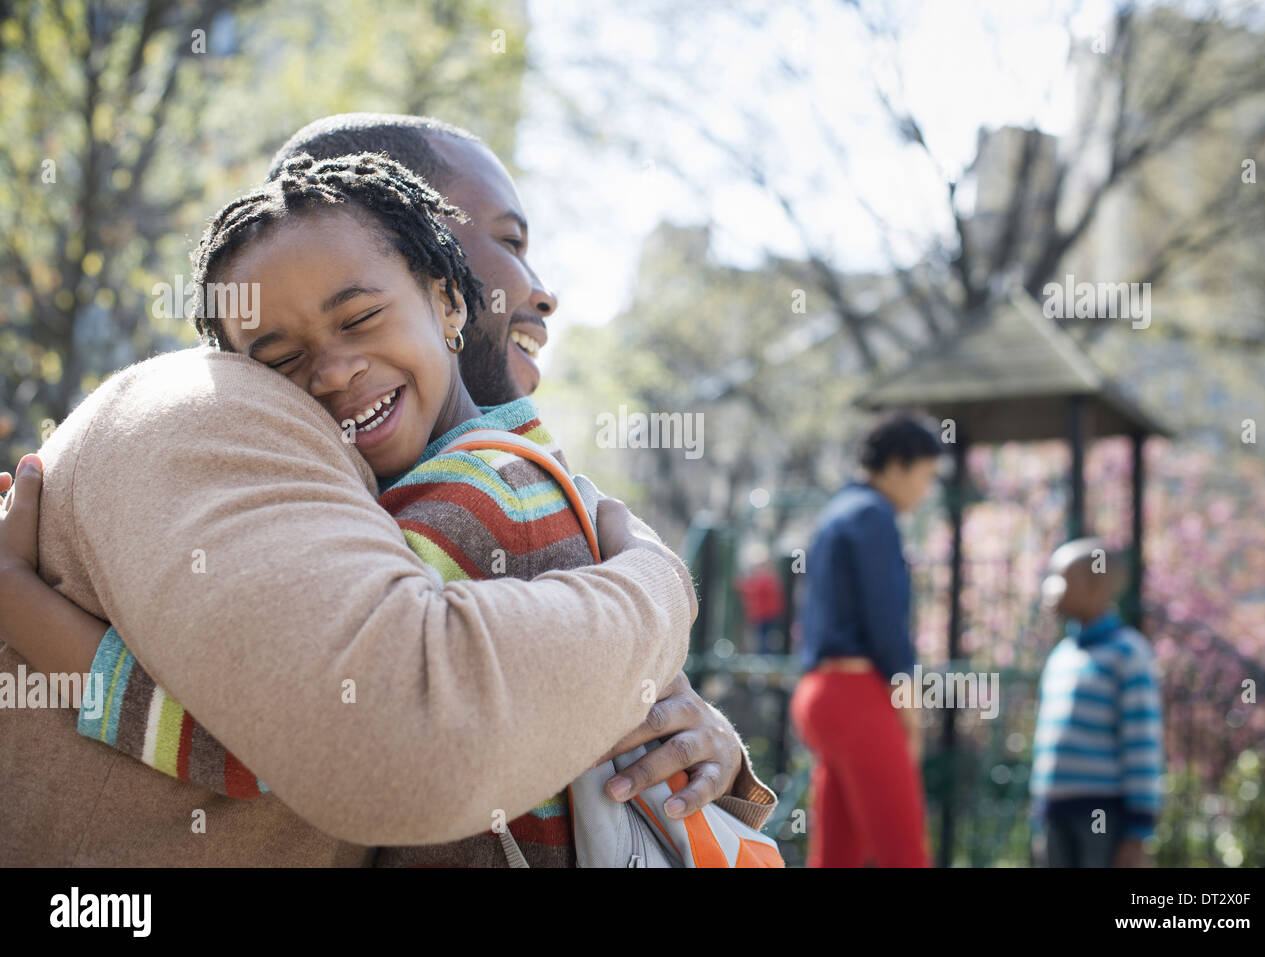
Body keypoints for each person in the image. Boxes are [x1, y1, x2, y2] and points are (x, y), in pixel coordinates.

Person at [0, 119, 773, 866]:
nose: (333, 370)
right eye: (505, 243)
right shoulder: (509, 481)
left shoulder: (481, 490)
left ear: (445, 295)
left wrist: (45, 630)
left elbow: (284, 750)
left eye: (361, 317)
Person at [790, 413, 944, 867]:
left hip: (819, 693)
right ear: (897, 465)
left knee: (837, 853)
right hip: (857, 695)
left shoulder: (836, 512)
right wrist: (909, 703)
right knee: (903, 850)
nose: (926, 489)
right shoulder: (873, 515)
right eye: (926, 475)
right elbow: (885, 619)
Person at [1030, 538, 1164, 868]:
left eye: (1060, 577)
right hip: (1055, 811)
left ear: (1095, 586)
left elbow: (1142, 744)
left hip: (1102, 813)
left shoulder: (1128, 654)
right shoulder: (1062, 656)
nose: (1049, 586)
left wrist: (1138, 831)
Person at [733, 545, 786, 655]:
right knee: (763, 636)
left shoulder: (765, 577)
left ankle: (763, 657)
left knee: (762, 637)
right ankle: (764, 655)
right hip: (765, 613)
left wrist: (739, 585)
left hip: (764, 614)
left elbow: (752, 589)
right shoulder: (770, 577)